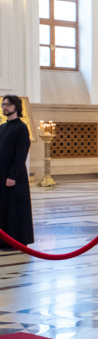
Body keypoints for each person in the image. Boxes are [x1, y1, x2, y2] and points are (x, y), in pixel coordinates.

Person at [0, 95, 33, 248]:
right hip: (1, 174)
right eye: (3, 104)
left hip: (14, 176)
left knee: (14, 207)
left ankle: (15, 241)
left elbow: (21, 154)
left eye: (8, 104)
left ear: (16, 107)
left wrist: (12, 175)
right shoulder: (2, 127)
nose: (4, 107)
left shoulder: (21, 127)